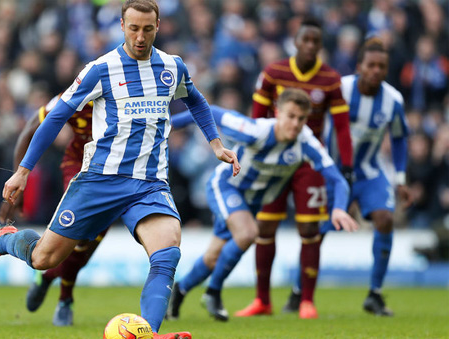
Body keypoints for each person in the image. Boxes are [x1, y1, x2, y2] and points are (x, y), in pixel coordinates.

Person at [0, 1, 240, 338]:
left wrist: (215, 143)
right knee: (44, 259)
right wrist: (23, 170)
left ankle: (147, 333)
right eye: (133, 28)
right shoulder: (101, 69)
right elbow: (56, 117)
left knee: (167, 252)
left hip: (150, 184)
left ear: (158, 26)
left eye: (147, 29)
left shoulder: (172, 67)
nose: (140, 37)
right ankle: (4, 240)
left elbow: (195, 99)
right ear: (122, 25)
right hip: (99, 181)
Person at [166, 90, 358, 322]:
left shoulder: (306, 142)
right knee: (248, 234)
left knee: (214, 256)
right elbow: (210, 112)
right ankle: (213, 292)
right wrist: (165, 127)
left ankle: (180, 291)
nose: (295, 124)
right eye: (291, 116)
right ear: (277, 112)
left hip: (254, 202)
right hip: (227, 186)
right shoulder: (256, 131)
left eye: (301, 118)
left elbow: (337, 178)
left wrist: (338, 207)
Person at [286, 38, 411, 316]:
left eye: (382, 66)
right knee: (314, 232)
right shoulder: (339, 88)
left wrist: (400, 178)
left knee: (386, 219)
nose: (376, 70)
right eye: (371, 65)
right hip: (331, 173)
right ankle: (299, 292)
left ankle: (375, 294)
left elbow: (400, 138)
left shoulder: (393, 100)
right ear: (360, 67)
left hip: (369, 172)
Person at [246, 18, 353, 319]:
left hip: (309, 162)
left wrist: (346, 166)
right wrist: (257, 152)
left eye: (314, 42)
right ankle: (262, 300)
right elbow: (257, 118)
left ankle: (307, 300)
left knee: (309, 229)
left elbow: (342, 128)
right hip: (275, 161)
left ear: (320, 46)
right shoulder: (273, 72)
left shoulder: (330, 79)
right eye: (304, 40)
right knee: (265, 226)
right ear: (296, 41)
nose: (309, 46)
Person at [0, 94, 106, 327]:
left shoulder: (130, 98)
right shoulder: (77, 95)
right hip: (79, 166)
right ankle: (65, 300)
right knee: (77, 232)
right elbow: (30, 129)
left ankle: (47, 276)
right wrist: (19, 178)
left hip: (116, 174)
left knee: (84, 248)